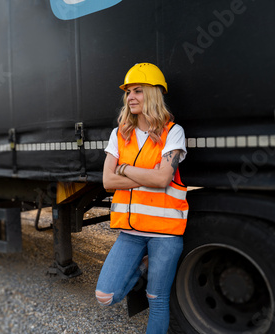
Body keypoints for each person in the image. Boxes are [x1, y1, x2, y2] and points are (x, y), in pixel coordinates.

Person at [95, 63, 189, 334]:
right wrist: (150, 175)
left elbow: (163, 180)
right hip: (130, 233)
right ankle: (143, 264)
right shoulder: (119, 134)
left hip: (165, 235)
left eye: (138, 90)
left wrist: (123, 169)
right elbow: (107, 181)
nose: (131, 97)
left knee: (157, 301)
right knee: (105, 296)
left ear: (153, 94)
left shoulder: (173, 132)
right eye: (128, 92)